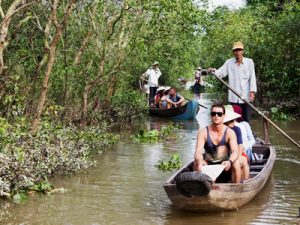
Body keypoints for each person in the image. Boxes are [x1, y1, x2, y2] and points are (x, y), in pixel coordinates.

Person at [208, 41, 257, 122]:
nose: (238, 52)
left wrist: (252, 92)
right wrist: (213, 70)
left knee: (246, 121)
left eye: (239, 50)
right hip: (234, 98)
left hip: (246, 97)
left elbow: (252, 77)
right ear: (233, 52)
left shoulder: (249, 62)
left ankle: (247, 133)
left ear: (243, 51)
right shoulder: (229, 62)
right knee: (234, 121)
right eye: (236, 50)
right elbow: (220, 73)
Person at [194, 103, 241, 183]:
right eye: (213, 114)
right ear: (210, 116)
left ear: (223, 116)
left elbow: (235, 152)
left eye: (219, 114)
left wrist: (229, 162)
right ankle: (199, 186)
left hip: (224, 165)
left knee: (236, 163)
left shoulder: (230, 132)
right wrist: (200, 160)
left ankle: (237, 188)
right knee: (196, 162)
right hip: (208, 165)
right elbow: (198, 151)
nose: (216, 116)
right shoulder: (203, 132)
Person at [223, 105, 250, 180]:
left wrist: (237, 157)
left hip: (238, 152)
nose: (234, 123)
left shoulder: (236, 129)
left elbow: (240, 146)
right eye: (231, 120)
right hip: (225, 155)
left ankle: (245, 181)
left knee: (241, 161)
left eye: (234, 120)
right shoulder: (220, 129)